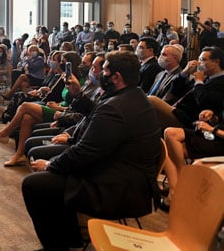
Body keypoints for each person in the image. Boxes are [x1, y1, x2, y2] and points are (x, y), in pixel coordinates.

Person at [22, 51, 161, 250]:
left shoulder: (117, 107)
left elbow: (84, 153)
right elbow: (96, 117)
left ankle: (56, 246)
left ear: (116, 77)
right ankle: (70, 238)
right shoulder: (132, 96)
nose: (100, 74)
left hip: (118, 187)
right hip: (123, 173)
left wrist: (51, 165)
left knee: (34, 184)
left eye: (104, 70)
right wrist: (78, 94)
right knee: (52, 169)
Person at [148, 46, 224, 129]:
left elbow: (205, 102)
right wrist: (184, 73)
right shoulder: (205, 77)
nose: (199, 63)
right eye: (198, 59)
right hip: (177, 109)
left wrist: (199, 82)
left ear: (216, 62)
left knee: (151, 100)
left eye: (203, 60)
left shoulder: (220, 81)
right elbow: (176, 91)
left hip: (189, 118)